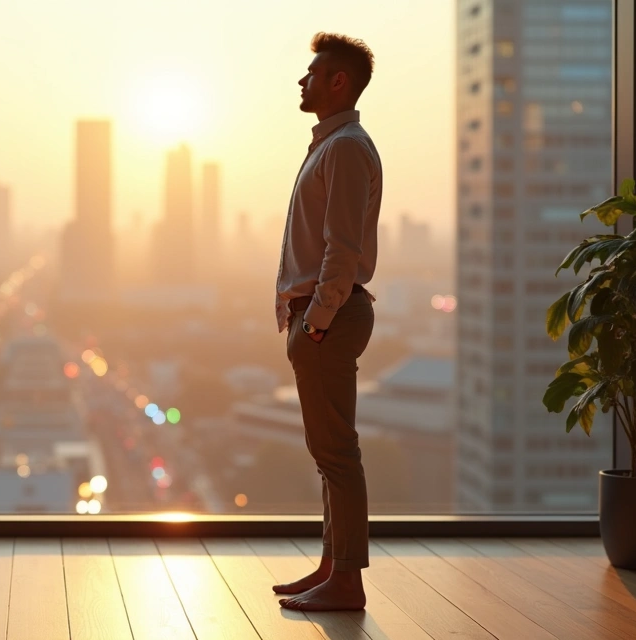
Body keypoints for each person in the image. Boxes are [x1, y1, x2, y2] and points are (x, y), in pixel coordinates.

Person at [273, 32, 382, 612]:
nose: (302, 80)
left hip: (330, 318)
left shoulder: (343, 148)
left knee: (338, 453)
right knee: (329, 452)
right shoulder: (331, 145)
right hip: (323, 317)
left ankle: (347, 581)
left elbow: (341, 251)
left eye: (312, 73)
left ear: (338, 81)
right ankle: (330, 567)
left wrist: (314, 322)